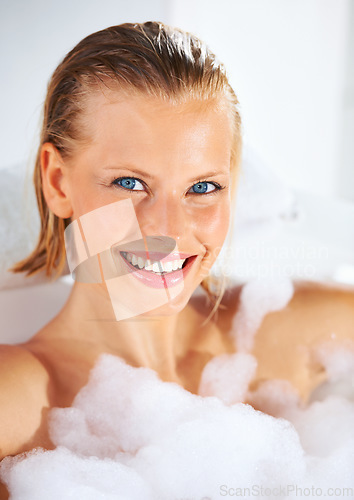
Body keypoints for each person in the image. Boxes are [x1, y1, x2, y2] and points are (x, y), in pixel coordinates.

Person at [1, 20, 354, 477]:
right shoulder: (18, 404)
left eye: (202, 187)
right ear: (57, 182)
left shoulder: (287, 335)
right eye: (129, 183)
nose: (168, 228)